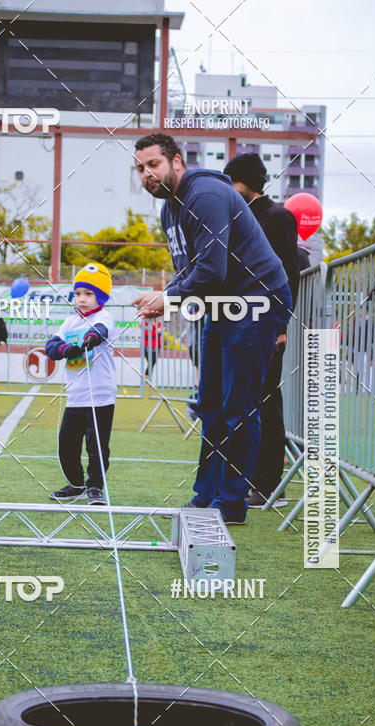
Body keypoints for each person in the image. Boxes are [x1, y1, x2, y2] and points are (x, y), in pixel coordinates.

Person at [132, 133, 292, 525]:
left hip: (255, 301)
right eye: (139, 168)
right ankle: (206, 496)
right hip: (221, 306)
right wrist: (167, 297)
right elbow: (191, 270)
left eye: (153, 164)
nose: (146, 174)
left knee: (239, 407)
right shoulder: (170, 208)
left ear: (176, 162)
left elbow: (211, 269)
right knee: (210, 406)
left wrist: (166, 297)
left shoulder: (204, 195)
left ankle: (231, 504)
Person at [223, 151, 301, 508]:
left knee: (268, 403)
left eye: (232, 181)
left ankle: (271, 485)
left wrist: (281, 325)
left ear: (247, 182)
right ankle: (249, 477)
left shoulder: (277, 216)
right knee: (246, 403)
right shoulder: (239, 217)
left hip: (269, 324)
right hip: (241, 323)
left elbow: (289, 273)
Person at [45, 262, 116, 506]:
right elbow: (51, 347)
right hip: (76, 396)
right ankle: (76, 485)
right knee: (67, 445)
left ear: (101, 296)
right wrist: (66, 349)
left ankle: (95, 487)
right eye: (78, 293)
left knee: (97, 447)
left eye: (88, 293)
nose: (82, 299)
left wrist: (88, 340)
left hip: (101, 396)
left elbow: (100, 332)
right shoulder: (68, 322)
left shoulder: (105, 317)